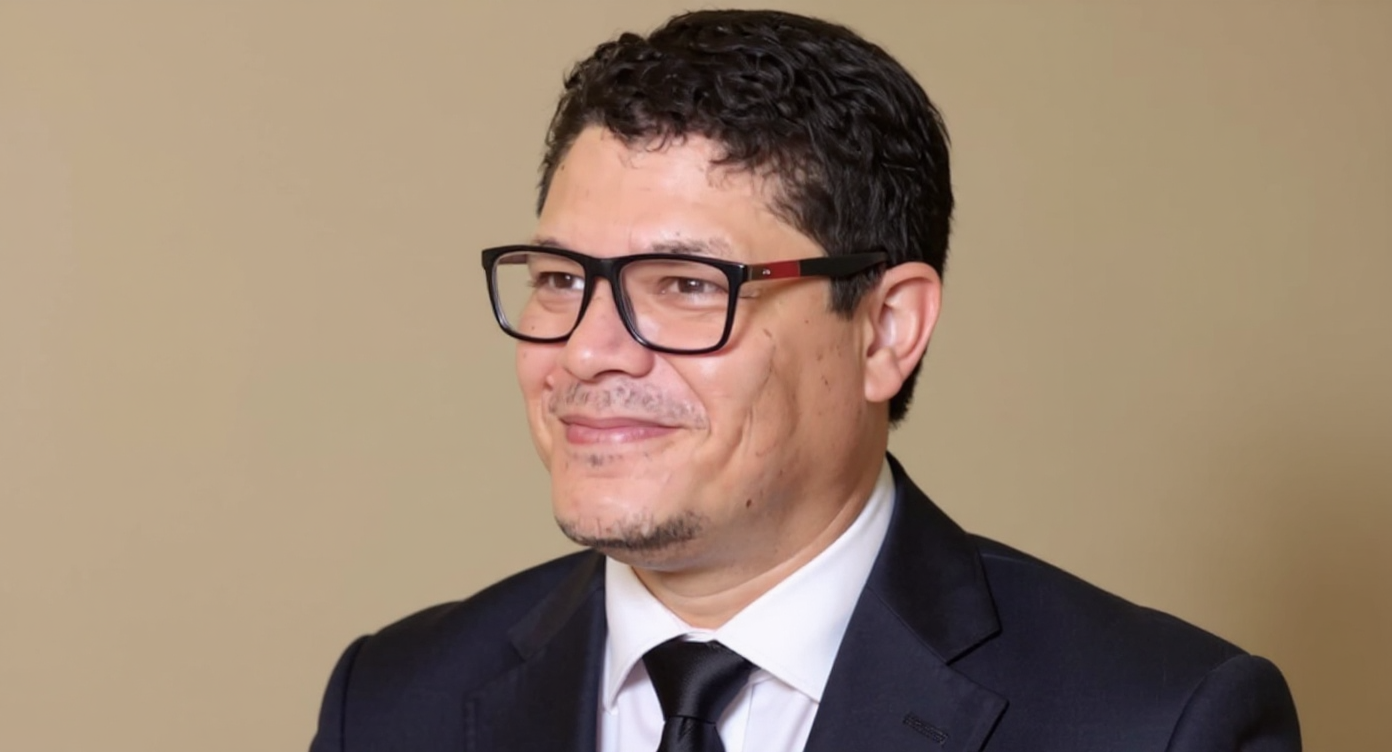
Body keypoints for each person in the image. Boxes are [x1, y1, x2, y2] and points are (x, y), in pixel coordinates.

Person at [309, 9, 1300, 752]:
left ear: (886, 329)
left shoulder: (1161, 722)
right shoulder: (391, 703)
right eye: (563, 279)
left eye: (686, 285)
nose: (588, 349)